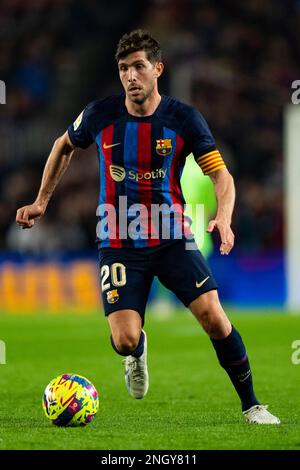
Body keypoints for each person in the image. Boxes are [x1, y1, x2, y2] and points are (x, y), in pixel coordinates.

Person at [16, 29, 279, 425]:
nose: (130, 76)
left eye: (139, 66)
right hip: (119, 239)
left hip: (172, 235)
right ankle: (136, 352)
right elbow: (62, 146)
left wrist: (223, 217)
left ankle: (253, 405)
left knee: (213, 316)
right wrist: (41, 201)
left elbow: (221, 176)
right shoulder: (99, 114)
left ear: (157, 69)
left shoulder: (184, 118)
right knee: (123, 340)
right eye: (123, 69)